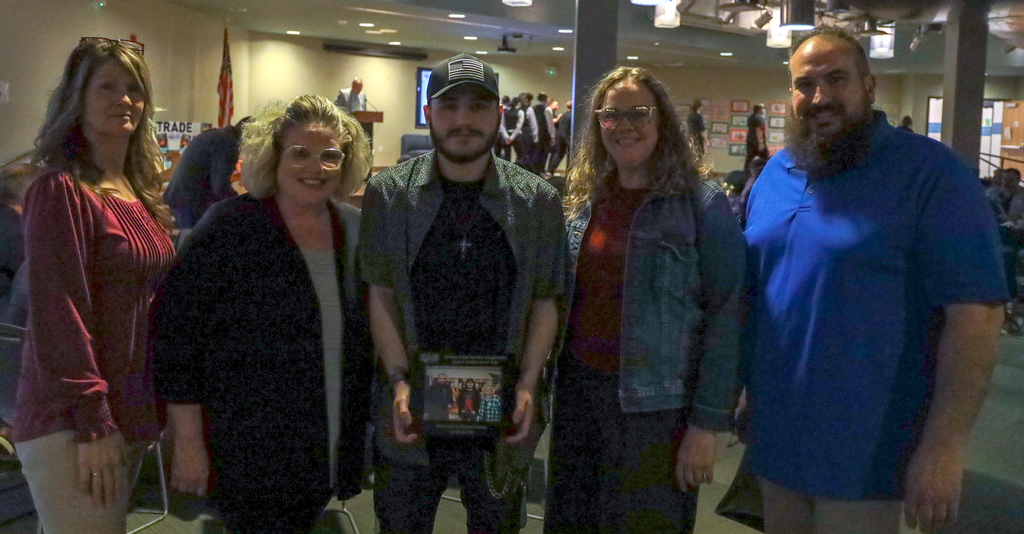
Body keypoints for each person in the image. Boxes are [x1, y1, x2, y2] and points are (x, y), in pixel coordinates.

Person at [743, 27, 1007, 534]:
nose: (818, 96)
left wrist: (944, 445)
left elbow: (977, 317)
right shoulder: (777, 172)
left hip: (871, 448)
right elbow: (758, 293)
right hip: (778, 436)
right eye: (804, 83)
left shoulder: (932, 174)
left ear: (869, 85)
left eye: (835, 79)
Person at [360, 53, 565, 534]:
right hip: (410, 407)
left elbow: (544, 299)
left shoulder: (537, 200)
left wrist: (531, 385)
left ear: (498, 115)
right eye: (449, 107)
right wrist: (398, 382)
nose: (463, 121)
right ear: (429, 113)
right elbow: (381, 294)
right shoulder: (389, 194)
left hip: (503, 407)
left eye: (478, 107)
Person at [151, 94, 374, 533]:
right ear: (271, 156)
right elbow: (176, 338)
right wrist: (189, 441)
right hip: (246, 446)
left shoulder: (354, 227)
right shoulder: (229, 226)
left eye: (331, 156)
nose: (317, 168)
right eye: (300, 154)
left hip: (327, 441)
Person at [545, 66, 745, 534]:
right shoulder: (583, 199)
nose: (623, 125)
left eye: (638, 112)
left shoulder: (703, 203)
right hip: (579, 398)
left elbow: (728, 316)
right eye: (610, 115)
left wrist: (706, 426)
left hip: (658, 410)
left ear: (663, 122)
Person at [13, 37, 176, 534]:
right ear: (76, 99)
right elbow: (60, 313)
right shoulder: (60, 188)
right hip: (74, 419)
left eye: (134, 89)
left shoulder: (137, 191)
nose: (123, 99)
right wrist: (94, 419)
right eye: (106, 87)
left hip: (126, 410)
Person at [163, 116, 249, 231]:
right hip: (191, 201)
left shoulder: (219, 136)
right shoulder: (228, 143)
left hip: (183, 196)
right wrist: (240, 204)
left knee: (191, 239)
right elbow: (220, 187)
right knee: (195, 241)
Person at [533, 92, 557, 176]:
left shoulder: (534, 108)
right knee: (544, 153)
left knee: (537, 152)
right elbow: (550, 124)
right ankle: (541, 170)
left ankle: (535, 170)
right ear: (546, 99)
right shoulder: (547, 109)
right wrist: (553, 136)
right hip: (545, 133)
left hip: (536, 132)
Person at [548, 100, 572, 176]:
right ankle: (568, 173)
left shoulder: (563, 115)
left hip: (560, 137)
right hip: (567, 138)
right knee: (570, 155)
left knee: (558, 155)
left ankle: (550, 171)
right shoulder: (572, 116)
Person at [499, 96, 524, 162]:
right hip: (517, 135)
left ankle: (507, 171)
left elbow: (502, 125)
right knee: (520, 156)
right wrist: (512, 137)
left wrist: (506, 137)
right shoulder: (520, 112)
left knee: (507, 157)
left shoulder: (504, 112)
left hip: (506, 134)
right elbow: (519, 126)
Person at [745, 104, 768, 171]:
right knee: (765, 157)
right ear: (760, 110)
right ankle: (763, 172)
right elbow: (759, 130)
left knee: (750, 157)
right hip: (757, 141)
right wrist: (761, 143)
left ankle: (747, 172)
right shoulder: (758, 118)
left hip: (750, 140)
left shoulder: (751, 118)